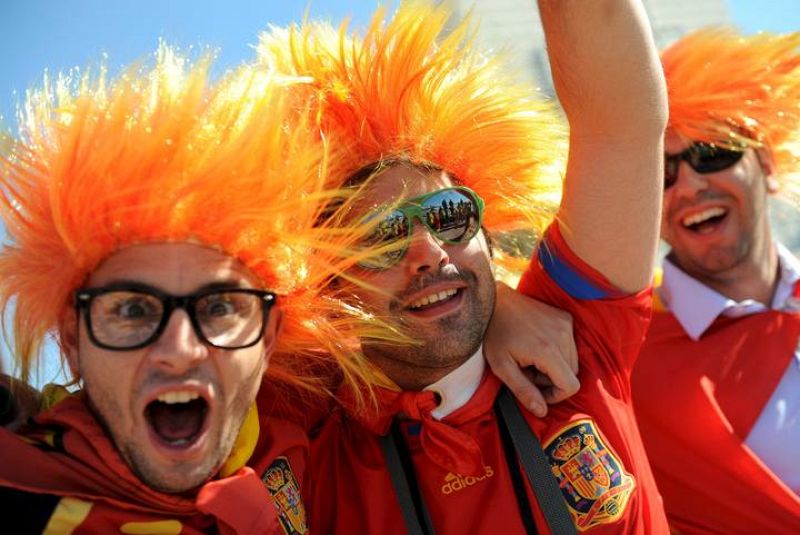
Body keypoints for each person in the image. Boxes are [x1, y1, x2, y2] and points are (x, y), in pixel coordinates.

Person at [260, 2, 669, 533]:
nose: (429, 252)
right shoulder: (308, 433)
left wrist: (500, 300)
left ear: (487, 237)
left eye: (449, 215)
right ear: (330, 282)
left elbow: (622, 123)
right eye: (381, 235)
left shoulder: (574, 336)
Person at [0, 46, 376, 534]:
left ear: (268, 337)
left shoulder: (290, 432)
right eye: (133, 310)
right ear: (73, 342)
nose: (179, 351)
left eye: (219, 307)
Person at [628, 30, 800, 534]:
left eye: (713, 152)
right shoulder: (618, 353)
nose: (689, 185)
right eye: (661, 173)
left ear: (765, 164)